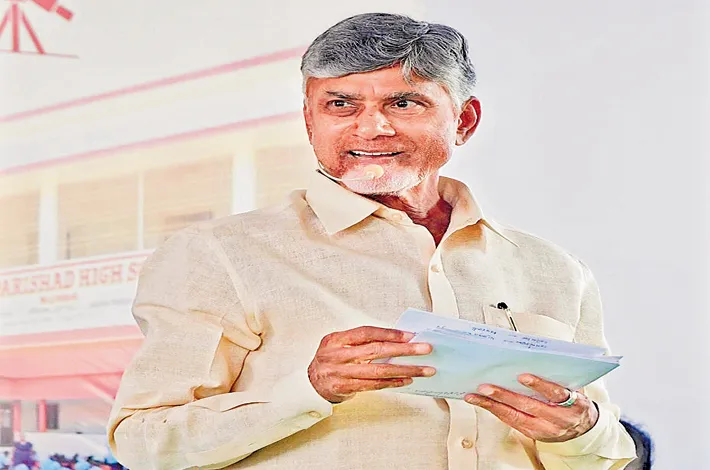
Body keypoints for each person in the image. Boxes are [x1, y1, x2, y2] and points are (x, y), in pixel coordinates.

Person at [108, 12, 637, 470]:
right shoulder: (219, 254)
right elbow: (144, 445)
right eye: (340, 104)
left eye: (404, 102)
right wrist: (307, 390)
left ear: (464, 121)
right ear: (309, 120)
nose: (370, 128)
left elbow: (605, 453)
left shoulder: (554, 269)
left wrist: (581, 431)